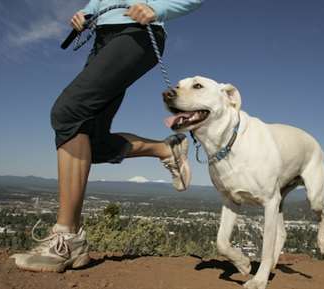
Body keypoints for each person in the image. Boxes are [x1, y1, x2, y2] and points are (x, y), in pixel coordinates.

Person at [12, 0, 203, 272]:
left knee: (68, 112)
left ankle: (66, 237)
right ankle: (165, 149)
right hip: (103, 37)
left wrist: (157, 8)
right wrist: (87, 13)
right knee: (93, 143)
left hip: (137, 33)